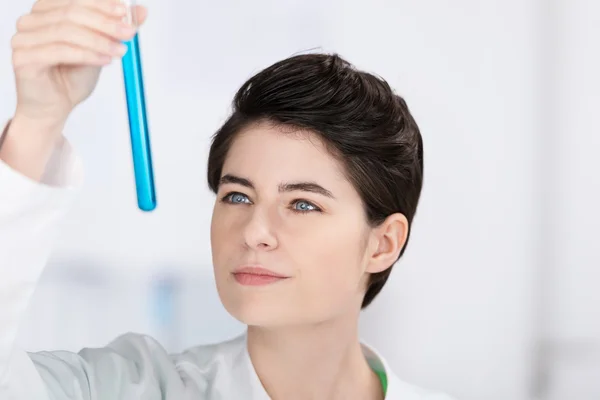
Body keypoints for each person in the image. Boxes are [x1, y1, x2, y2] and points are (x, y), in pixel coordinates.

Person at [0, 1, 456, 399]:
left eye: (302, 204)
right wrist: (38, 122)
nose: (255, 232)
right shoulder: (130, 388)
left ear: (383, 244)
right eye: (237, 195)